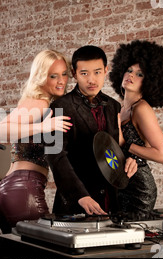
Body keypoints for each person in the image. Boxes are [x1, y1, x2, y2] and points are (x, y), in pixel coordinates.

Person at [46, 45, 137, 217]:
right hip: (77, 204)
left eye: (97, 72)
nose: (91, 80)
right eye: (84, 73)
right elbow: (55, 155)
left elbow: (114, 148)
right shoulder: (60, 106)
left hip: (112, 202)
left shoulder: (113, 106)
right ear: (74, 73)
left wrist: (130, 160)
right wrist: (79, 195)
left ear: (105, 70)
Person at [0, 49, 72, 233]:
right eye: (53, 76)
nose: (61, 81)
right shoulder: (39, 103)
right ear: (41, 77)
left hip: (10, 189)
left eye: (64, 74)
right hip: (23, 190)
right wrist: (43, 127)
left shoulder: (35, 101)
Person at [109, 40, 163, 219]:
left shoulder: (141, 108)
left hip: (139, 189)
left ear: (150, 81)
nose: (131, 75)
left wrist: (126, 144)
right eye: (129, 70)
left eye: (140, 74)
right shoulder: (121, 109)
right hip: (121, 184)